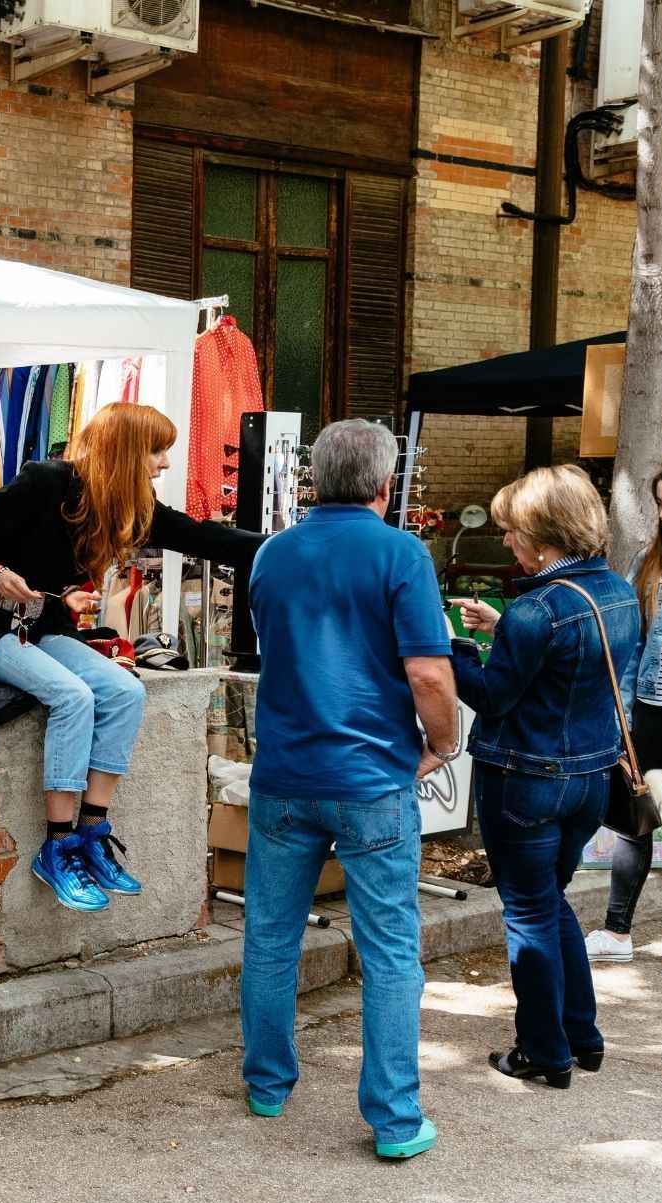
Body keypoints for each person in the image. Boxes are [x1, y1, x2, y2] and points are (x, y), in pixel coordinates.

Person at [0, 403, 260, 910]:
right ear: (126, 451)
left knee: (125, 691)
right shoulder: (46, 482)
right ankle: (56, 846)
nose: (165, 463)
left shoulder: (128, 506)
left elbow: (202, 536)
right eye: (156, 450)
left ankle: (90, 832)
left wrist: (289, 545)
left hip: (39, 628)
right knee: (73, 696)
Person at [241, 418, 457, 1161]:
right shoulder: (401, 553)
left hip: (284, 775)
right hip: (371, 777)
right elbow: (428, 673)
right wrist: (443, 743)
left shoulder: (271, 554)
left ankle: (267, 1082)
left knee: (271, 936)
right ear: (385, 484)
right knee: (390, 950)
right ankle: (394, 1119)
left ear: (315, 479)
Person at [451, 466, 638, 1088]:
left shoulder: (536, 609)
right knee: (549, 903)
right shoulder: (615, 591)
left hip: (526, 780)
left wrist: (453, 648)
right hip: (591, 779)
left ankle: (544, 1051)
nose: (506, 541)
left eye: (511, 530)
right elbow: (569, 664)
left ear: (543, 533)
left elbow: (492, 696)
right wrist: (501, 628)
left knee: (529, 913)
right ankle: (582, 1037)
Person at [586, 458, 662, 978]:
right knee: (638, 814)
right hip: (652, 707)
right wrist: (622, 708)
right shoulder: (650, 560)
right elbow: (631, 640)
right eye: (660, 502)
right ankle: (617, 932)